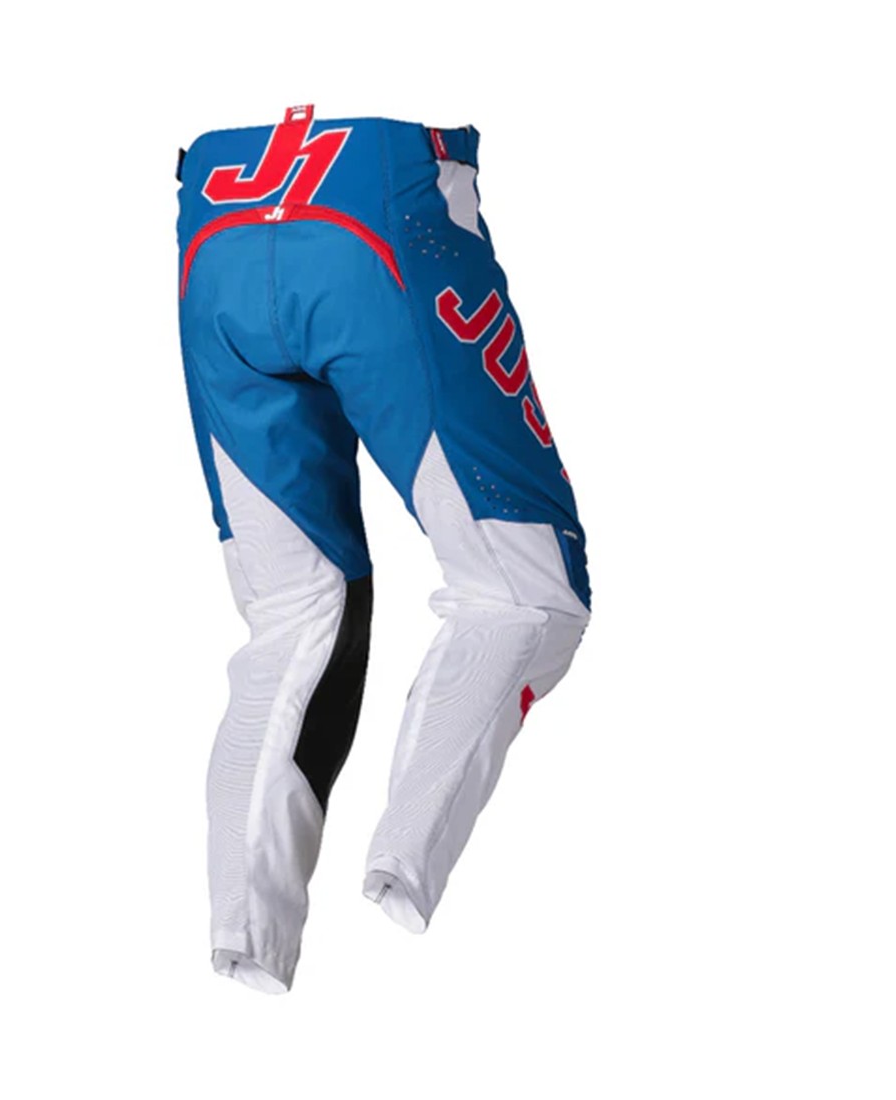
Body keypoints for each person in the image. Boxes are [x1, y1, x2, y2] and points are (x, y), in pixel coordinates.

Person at [175, 104, 592, 993]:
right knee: (526, 589)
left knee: (293, 615)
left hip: (215, 223)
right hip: (374, 204)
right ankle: (403, 862)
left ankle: (244, 933)